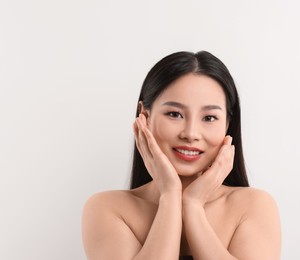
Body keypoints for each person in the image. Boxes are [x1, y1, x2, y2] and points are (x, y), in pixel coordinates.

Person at [82, 51, 281, 260]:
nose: (191, 133)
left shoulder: (253, 206)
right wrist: (169, 195)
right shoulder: (108, 209)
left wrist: (193, 206)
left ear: (227, 125)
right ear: (145, 115)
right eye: (174, 114)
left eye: (210, 117)